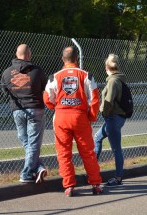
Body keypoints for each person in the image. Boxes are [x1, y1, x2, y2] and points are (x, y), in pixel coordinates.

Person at [43, 46, 103, 197]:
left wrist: (55, 107)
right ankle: (95, 184)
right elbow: (94, 99)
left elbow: (47, 98)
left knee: (63, 153)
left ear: (63, 59)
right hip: (80, 117)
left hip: (61, 117)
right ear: (77, 58)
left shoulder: (54, 77)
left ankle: (69, 186)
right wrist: (91, 117)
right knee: (88, 152)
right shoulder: (87, 75)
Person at [2, 44, 48, 183]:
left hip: (17, 110)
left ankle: (38, 167)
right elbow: (45, 88)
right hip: (35, 108)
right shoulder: (37, 71)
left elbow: (5, 92)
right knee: (33, 142)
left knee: (27, 141)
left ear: (17, 54)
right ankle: (27, 173)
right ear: (29, 55)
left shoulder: (7, 72)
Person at [94, 54, 127, 186]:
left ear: (107, 67)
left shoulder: (113, 81)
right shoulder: (120, 79)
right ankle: (93, 170)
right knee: (97, 138)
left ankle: (118, 178)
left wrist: (103, 112)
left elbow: (108, 101)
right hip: (117, 117)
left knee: (116, 149)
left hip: (113, 118)